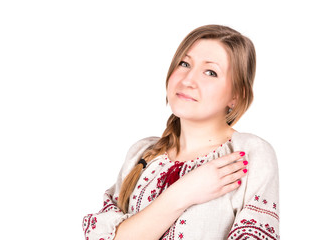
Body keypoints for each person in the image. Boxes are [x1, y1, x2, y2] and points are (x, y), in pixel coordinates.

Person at [82, 25, 279, 240]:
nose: (187, 80)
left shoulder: (248, 154)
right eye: (184, 64)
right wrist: (184, 192)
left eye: (210, 72)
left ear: (236, 96)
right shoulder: (141, 154)